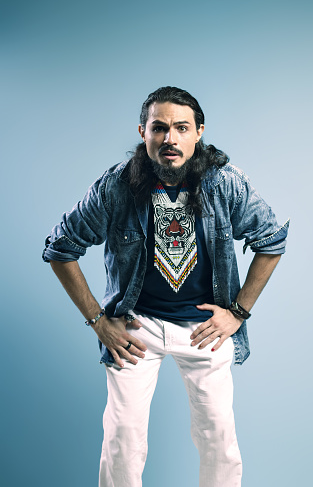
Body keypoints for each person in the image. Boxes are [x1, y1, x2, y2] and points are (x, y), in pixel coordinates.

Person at [43, 86, 289, 487]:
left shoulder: (225, 183)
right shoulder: (117, 187)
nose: (169, 139)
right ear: (143, 132)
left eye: (181, 128)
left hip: (204, 329)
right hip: (137, 328)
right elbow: (60, 248)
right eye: (159, 128)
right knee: (122, 436)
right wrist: (98, 321)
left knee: (218, 435)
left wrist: (238, 312)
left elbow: (272, 240)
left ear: (199, 132)